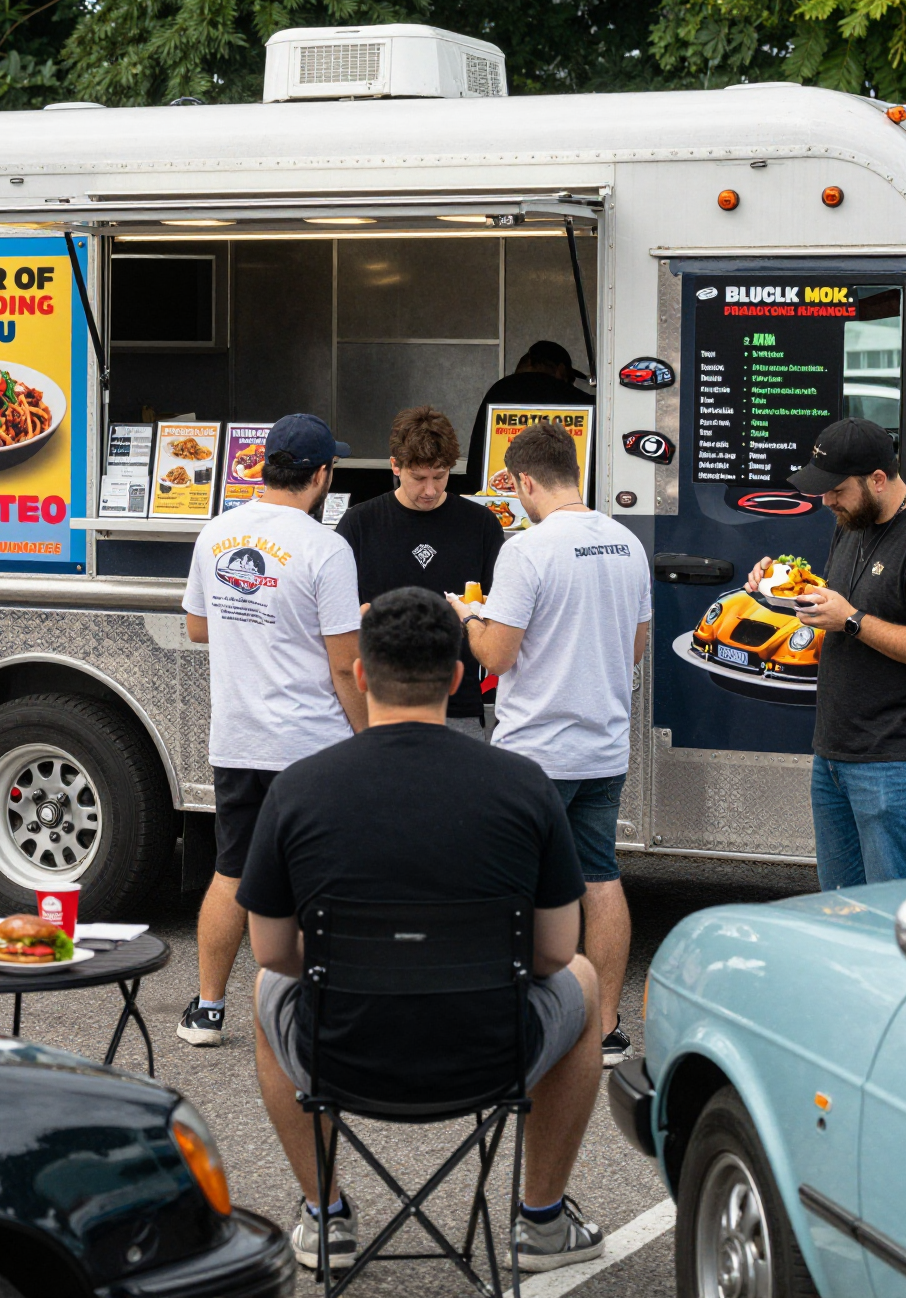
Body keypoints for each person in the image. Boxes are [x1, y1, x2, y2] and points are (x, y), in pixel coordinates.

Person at [239, 588, 606, 1274]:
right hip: (492, 1058)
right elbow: (556, 951)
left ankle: (325, 1215)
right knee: (584, 977)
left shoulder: (298, 788)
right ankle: (541, 1222)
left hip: (338, 1057)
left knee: (264, 987)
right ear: (461, 677)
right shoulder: (524, 785)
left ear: (357, 674)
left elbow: (272, 950)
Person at [454, 421, 649, 1068]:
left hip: (535, 752)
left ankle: (521, 1022)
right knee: (601, 878)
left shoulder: (528, 551)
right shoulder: (626, 543)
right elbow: (636, 649)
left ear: (527, 481)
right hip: (604, 746)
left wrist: (468, 618)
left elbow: (498, 656)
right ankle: (607, 1029)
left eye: (516, 491)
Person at [179, 413, 366, 1047]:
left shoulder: (216, 532)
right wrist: (369, 738)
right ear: (321, 476)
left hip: (238, 737)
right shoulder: (325, 547)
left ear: (264, 468)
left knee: (232, 872)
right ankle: (312, 1017)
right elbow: (344, 663)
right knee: (315, 880)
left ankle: (207, 1008)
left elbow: (199, 628)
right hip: (311, 746)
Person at [744, 416, 906, 890]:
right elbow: (843, 603)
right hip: (835, 753)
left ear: (878, 479)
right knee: (841, 911)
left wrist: (851, 620)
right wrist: (778, 587)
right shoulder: (853, 521)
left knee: (895, 916)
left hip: (894, 758)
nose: (825, 501)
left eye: (837, 490)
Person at [336, 405, 505, 739]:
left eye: (440, 477)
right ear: (395, 466)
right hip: (378, 705)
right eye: (419, 478)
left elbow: (500, 611)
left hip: (459, 705)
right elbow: (337, 621)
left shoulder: (481, 524)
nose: (430, 490)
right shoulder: (359, 523)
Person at [465, 340, 596, 495]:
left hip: (495, 497)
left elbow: (476, 456)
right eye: (571, 379)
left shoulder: (498, 391)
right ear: (561, 371)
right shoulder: (580, 401)